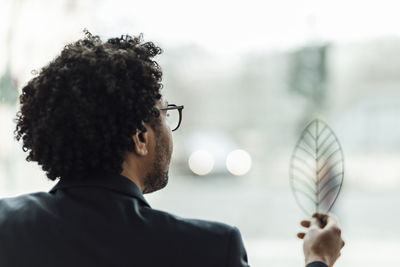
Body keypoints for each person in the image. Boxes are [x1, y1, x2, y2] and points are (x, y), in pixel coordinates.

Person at [0, 30, 344, 267]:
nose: (169, 129)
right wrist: (318, 258)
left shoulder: (7, 226)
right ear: (140, 136)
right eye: (166, 114)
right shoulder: (207, 249)